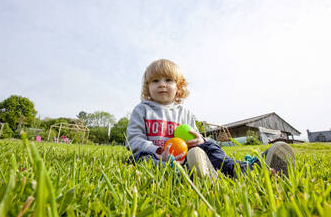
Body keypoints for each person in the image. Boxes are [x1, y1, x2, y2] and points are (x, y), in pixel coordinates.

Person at [126, 59, 295, 178]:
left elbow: (195, 140)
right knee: (138, 159)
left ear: (178, 87)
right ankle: (179, 174)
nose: (162, 84)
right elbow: (134, 139)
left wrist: (199, 140)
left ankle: (244, 169)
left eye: (168, 80)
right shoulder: (142, 110)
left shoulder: (185, 113)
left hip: (188, 158)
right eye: (155, 81)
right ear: (148, 87)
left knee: (209, 145)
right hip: (158, 159)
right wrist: (157, 151)